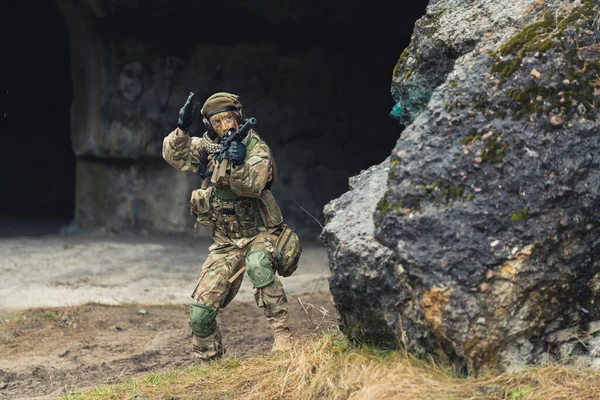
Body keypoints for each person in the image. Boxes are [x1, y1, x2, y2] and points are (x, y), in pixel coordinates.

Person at [162, 91, 301, 361]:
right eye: (217, 122)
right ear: (210, 127)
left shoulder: (255, 148)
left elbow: (253, 186)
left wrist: (237, 163)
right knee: (200, 312)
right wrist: (180, 129)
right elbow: (173, 156)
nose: (225, 126)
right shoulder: (208, 148)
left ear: (238, 118)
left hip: (261, 234)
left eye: (229, 118)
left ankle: (283, 334)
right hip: (226, 241)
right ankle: (210, 362)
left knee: (258, 265)